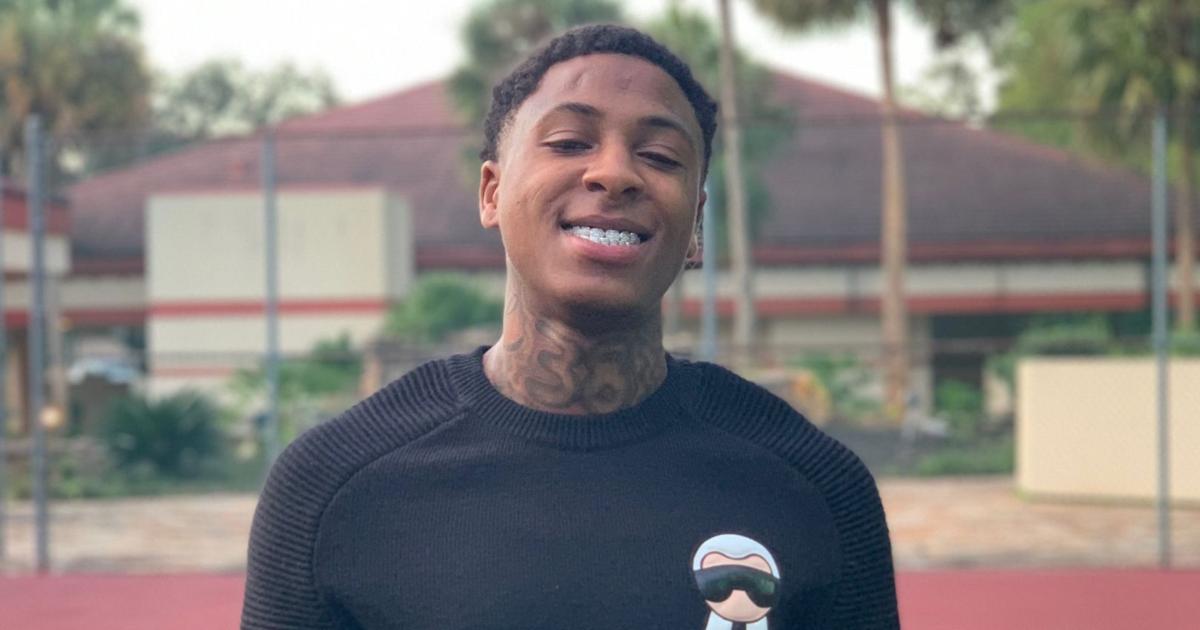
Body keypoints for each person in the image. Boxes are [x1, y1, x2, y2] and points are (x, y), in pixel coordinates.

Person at [241, 24, 898, 630]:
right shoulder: (331, 487)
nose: (614, 173)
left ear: (696, 223)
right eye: (568, 143)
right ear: (491, 193)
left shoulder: (814, 485)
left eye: (660, 155)